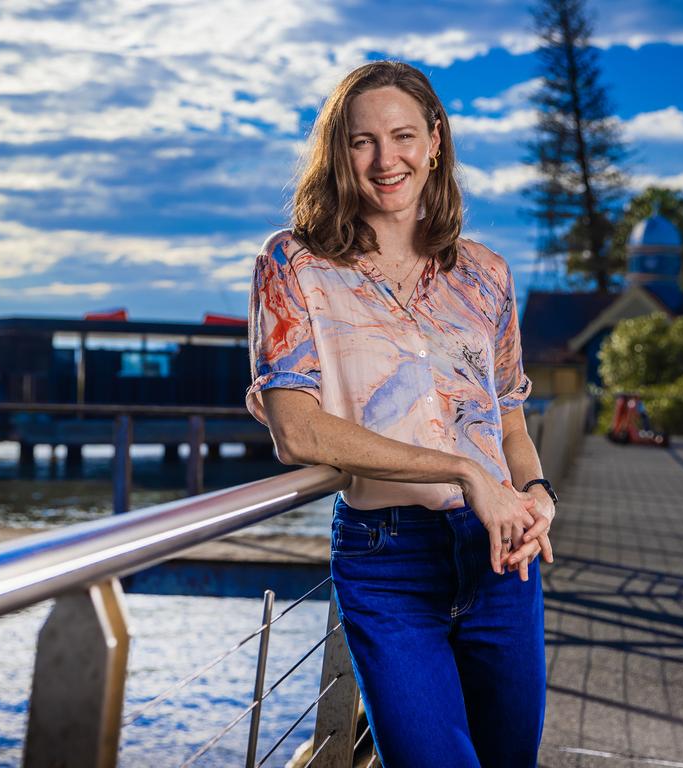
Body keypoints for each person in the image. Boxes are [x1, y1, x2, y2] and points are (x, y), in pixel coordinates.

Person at [244, 61, 557, 768]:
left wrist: (537, 494)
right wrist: (462, 472)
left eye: (404, 135)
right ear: (338, 152)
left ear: (436, 141)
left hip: (502, 561)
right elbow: (296, 430)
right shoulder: (293, 266)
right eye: (362, 141)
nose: (386, 160)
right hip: (387, 565)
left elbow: (509, 423)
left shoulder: (487, 274)